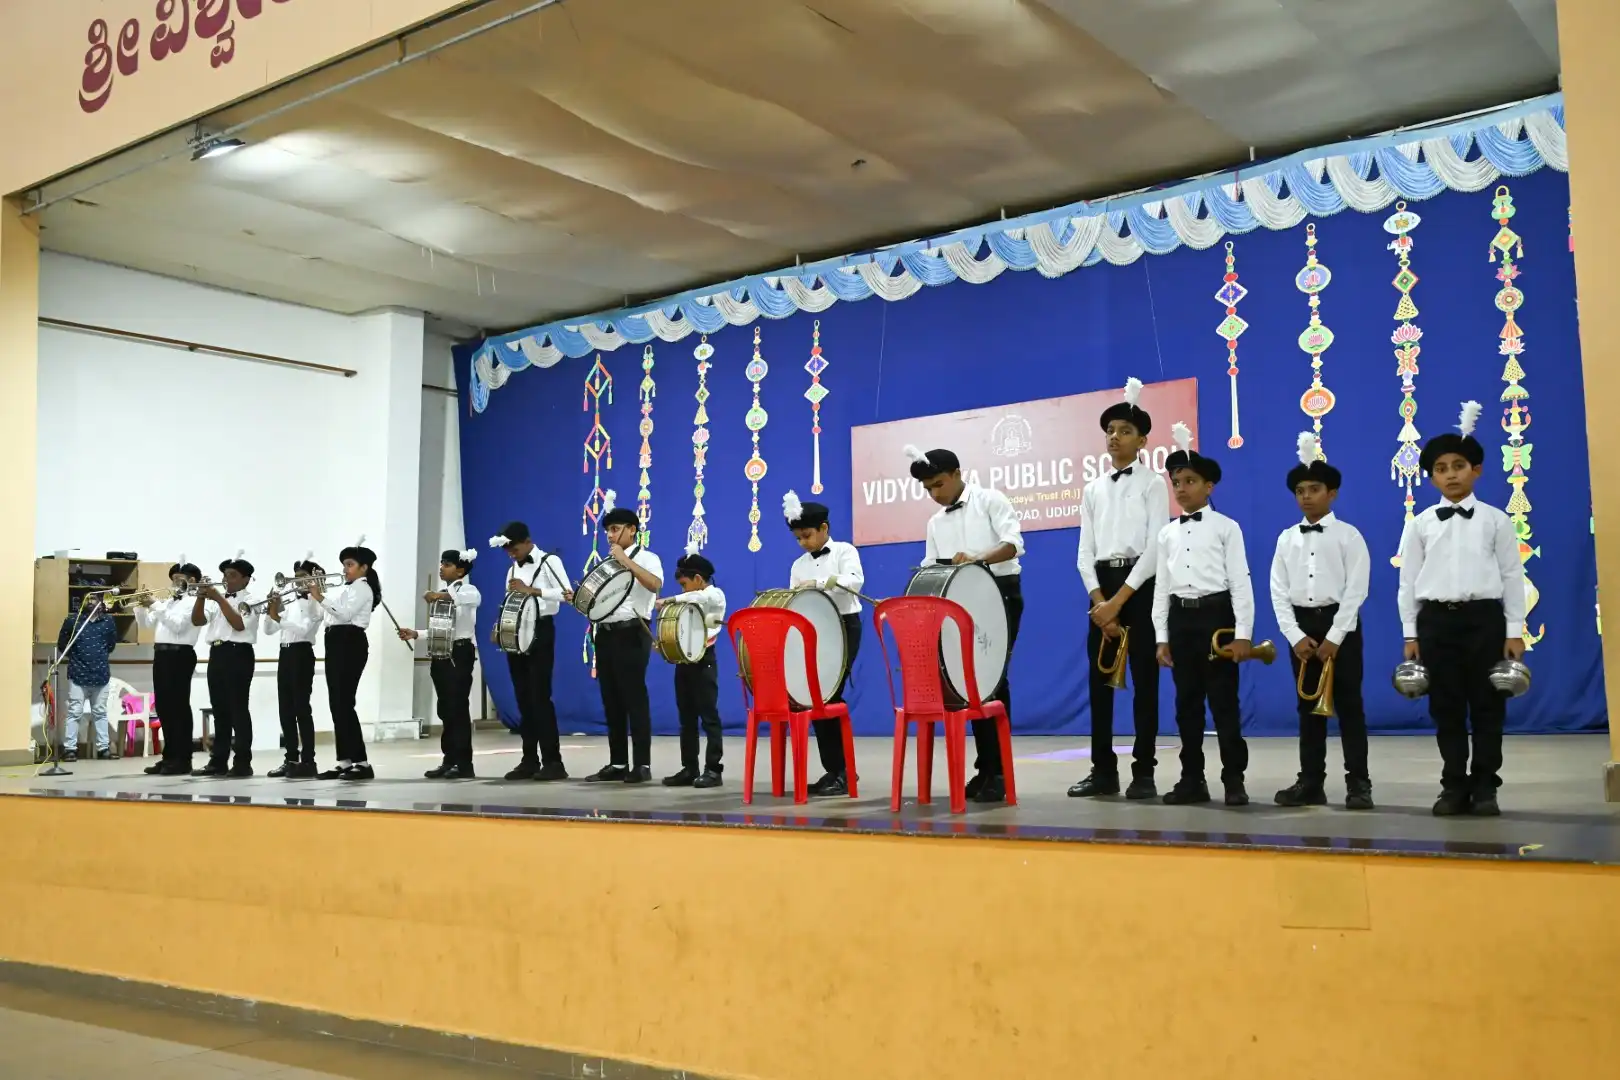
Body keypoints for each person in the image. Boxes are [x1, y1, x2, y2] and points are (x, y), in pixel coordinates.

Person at [1398, 401, 1526, 817]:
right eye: (1441, 468)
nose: (1450, 474)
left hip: (1484, 620)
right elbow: (1408, 583)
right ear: (1431, 476)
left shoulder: (1496, 520)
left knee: (1488, 706)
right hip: (1436, 623)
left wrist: (1514, 630)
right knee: (1446, 706)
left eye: (1458, 466)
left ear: (1477, 470)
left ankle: (1486, 785)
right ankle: (1453, 785)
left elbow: (1511, 576)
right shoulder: (1420, 524)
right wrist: (1411, 633)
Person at [907, 445, 1024, 804]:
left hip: (999, 594)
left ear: (957, 474)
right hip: (957, 600)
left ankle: (999, 771)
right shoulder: (935, 522)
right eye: (928, 489)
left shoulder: (990, 500)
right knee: (966, 681)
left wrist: (977, 559)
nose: (934, 494)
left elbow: (1013, 544)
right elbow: (930, 564)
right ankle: (985, 768)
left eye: (939, 484)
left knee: (992, 680)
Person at [1070, 377, 1168, 801]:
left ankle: (1144, 771)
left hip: (1139, 587)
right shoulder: (1093, 489)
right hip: (1102, 589)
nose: (1115, 437)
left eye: (1125, 431)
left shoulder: (1153, 483)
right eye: (1110, 430)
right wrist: (1099, 601)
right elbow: (1084, 552)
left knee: (1145, 681)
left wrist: (1119, 601)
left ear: (1142, 440)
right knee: (1101, 683)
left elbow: (1155, 546)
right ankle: (1102, 771)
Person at [1151, 423, 1254, 806]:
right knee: (1187, 705)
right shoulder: (1167, 534)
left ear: (1208, 486)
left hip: (1216, 617)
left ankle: (1234, 780)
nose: (1181, 488)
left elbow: (1240, 582)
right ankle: (1192, 779)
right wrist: (1162, 637)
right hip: (1182, 621)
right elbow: (1162, 588)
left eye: (1190, 481)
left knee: (1224, 703)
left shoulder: (1227, 528)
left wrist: (1242, 633)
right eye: (1176, 482)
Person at [1269, 433, 1373, 810]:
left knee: (1349, 706)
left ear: (1332, 493)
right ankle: (1311, 781)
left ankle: (1358, 783)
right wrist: (1294, 635)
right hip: (1302, 629)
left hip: (1339, 626)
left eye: (1314, 489)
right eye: (1300, 491)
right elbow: (1278, 591)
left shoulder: (1349, 537)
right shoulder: (1286, 540)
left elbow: (1356, 590)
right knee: (1308, 707)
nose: (1306, 497)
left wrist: (1336, 636)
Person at [785, 490, 867, 796]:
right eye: (798, 538)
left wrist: (819, 584)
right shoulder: (798, 565)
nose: (803, 543)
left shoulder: (845, 552)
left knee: (831, 694)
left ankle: (844, 771)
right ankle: (834, 770)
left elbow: (854, 581)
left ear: (824, 528)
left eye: (807, 536)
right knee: (815, 696)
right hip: (815, 630)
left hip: (844, 627)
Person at [586, 491, 664, 783]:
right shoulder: (607, 564)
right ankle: (618, 762)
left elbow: (655, 584)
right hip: (605, 634)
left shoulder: (647, 557)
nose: (610, 535)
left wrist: (625, 561)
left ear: (632, 530)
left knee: (634, 698)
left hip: (632, 631)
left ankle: (642, 764)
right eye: (608, 530)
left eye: (616, 529)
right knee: (611, 699)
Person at [491, 521, 571, 781]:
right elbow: (510, 600)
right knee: (523, 698)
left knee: (540, 697)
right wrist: (499, 626)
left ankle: (553, 761)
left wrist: (533, 591)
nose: (511, 554)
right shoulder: (513, 567)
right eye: (507, 550)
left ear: (527, 542)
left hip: (540, 630)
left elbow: (567, 594)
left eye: (514, 549)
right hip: (517, 632)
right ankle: (529, 760)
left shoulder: (549, 561)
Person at [400, 548, 482, 779]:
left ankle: (464, 764)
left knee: (458, 707)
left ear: (460, 570)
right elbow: (440, 630)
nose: (441, 568)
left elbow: (469, 600)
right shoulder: (443, 594)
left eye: (447, 564)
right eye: (442, 563)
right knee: (445, 709)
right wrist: (416, 633)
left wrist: (438, 596)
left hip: (460, 652)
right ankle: (449, 759)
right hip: (442, 652)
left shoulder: (468, 590)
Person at [311, 537, 381, 781]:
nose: (345, 569)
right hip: (336, 641)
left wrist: (320, 596)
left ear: (364, 567)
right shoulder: (347, 589)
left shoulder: (362, 588)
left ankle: (362, 763)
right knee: (337, 704)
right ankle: (345, 761)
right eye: (344, 565)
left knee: (344, 703)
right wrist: (316, 596)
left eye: (350, 564)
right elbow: (324, 616)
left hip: (349, 642)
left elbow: (345, 614)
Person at [658, 544, 727, 789]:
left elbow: (699, 597)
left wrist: (670, 599)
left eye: (684, 584)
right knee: (686, 717)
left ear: (698, 579)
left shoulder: (715, 595)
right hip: (684, 661)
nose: (682, 590)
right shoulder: (688, 598)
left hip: (704, 660)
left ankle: (713, 769)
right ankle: (690, 767)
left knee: (709, 716)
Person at [191, 554, 260, 778]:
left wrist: (219, 598)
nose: (226, 579)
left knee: (238, 709)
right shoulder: (217, 600)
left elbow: (239, 624)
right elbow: (197, 621)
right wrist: (201, 597)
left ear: (246, 579)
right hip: (217, 652)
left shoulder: (252, 599)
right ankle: (218, 761)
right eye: (225, 575)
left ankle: (243, 762)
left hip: (238, 653)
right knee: (219, 710)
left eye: (232, 575)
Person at [261, 554, 325, 778]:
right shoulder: (288, 601)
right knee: (285, 709)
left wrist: (277, 617)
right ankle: (290, 759)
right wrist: (272, 611)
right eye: (295, 577)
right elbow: (268, 630)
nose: (297, 581)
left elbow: (304, 630)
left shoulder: (316, 603)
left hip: (302, 653)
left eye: (303, 577)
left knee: (301, 708)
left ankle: (308, 760)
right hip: (285, 653)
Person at [137, 562, 204, 775]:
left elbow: (178, 626)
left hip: (180, 655)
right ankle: (169, 757)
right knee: (164, 707)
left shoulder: (194, 602)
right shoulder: (168, 601)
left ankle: (183, 759)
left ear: (192, 580)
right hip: (162, 654)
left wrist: (156, 605)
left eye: (178, 579)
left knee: (178, 707)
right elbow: (146, 624)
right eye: (173, 579)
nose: (174, 583)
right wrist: (141, 606)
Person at [56, 593, 120, 762]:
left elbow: (111, 645)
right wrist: (78, 657)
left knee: (100, 712)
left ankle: (103, 749)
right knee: (74, 712)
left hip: (101, 673)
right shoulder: (73, 620)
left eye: (94, 599)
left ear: (101, 603)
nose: (91, 602)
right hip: (78, 673)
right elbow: (62, 644)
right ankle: (70, 749)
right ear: (83, 602)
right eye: (88, 599)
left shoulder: (108, 621)